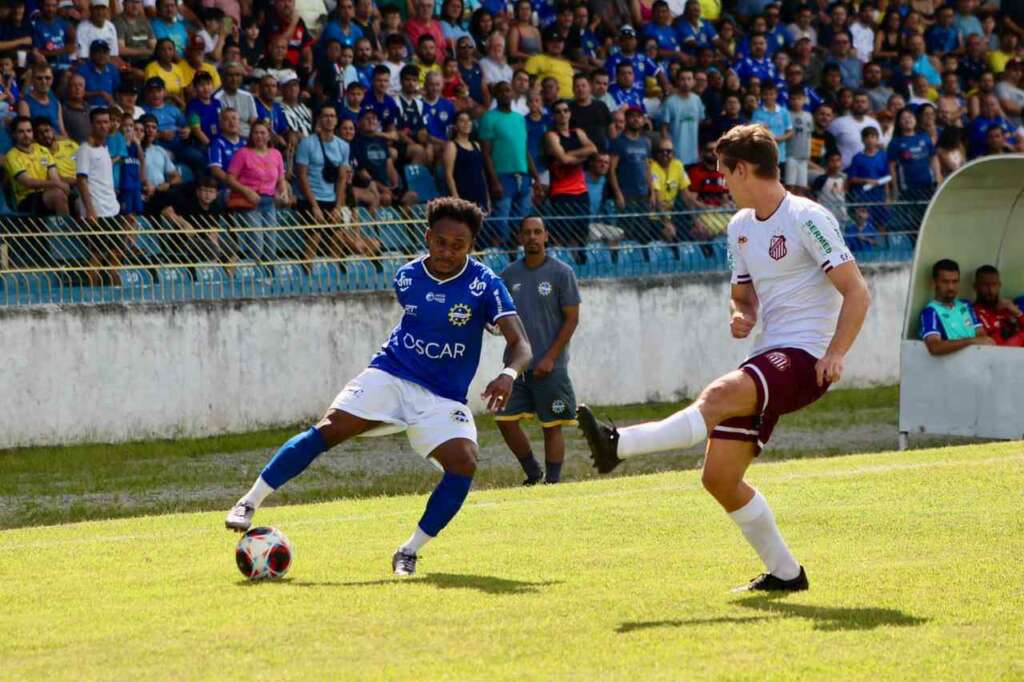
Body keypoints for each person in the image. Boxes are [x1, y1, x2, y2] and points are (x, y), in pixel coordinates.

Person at [577, 123, 872, 592]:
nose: (721, 183)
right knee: (719, 477)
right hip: (768, 355)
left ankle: (619, 445)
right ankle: (786, 574)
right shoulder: (739, 228)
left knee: (715, 397)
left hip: (805, 357)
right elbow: (742, 298)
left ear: (743, 170)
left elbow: (857, 291)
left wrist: (836, 353)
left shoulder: (807, 216)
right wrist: (742, 315)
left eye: (723, 174)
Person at [224, 197, 532, 577]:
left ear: (471, 246)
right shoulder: (407, 277)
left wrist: (508, 374)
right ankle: (249, 501)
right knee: (330, 428)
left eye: (459, 245)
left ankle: (409, 550)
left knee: (464, 462)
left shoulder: (485, 284)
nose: (448, 252)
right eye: (440, 242)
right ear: (427, 238)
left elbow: (521, 344)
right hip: (391, 373)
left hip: (442, 396)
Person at [496, 215, 581, 485]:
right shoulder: (509, 274)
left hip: (550, 365)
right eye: (527, 232)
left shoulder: (562, 273)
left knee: (551, 425)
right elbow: (500, 315)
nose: (532, 237)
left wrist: (551, 358)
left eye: (537, 232)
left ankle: (553, 482)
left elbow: (572, 319)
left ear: (546, 236)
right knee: (504, 419)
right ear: (520, 238)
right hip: (516, 366)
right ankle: (533, 473)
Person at [479, 80, 537, 249]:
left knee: (522, 221)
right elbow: (486, 153)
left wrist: (535, 177)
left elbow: (524, 149)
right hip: (502, 176)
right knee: (501, 221)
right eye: (501, 91)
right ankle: (501, 254)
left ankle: (517, 254)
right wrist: (494, 180)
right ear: (496, 95)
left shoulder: (520, 119)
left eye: (508, 90)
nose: (505, 94)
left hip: (523, 175)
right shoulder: (489, 118)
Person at [226, 119, 292, 260]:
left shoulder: (276, 154)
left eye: (262, 133)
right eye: (255, 133)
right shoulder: (243, 153)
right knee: (257, 246)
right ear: (251, 135)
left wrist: (284, 192)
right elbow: (229, 179)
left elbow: (281, 179)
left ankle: (267, 273)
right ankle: (248, 270)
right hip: (249, 202)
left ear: (268, 136)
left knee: (271, 247)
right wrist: (246, 191)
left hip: (269, 202)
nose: (259, 136)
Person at [76, 107, 123, 284]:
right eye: (99, 122)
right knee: (97, 254)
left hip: (111, 208)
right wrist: (90, 210)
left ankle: (114, 291)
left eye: (106, 122)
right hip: (97, 209)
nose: (103, 126)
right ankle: (91, 293)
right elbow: (81, 180)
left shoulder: (104, 148)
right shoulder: (85, 149)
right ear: (91, 124)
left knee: (115, 253)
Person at [544, 100, 597, 250]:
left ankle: (579, 261)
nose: (563, 114)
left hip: (581, 191)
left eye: (565, 110)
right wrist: (582, 156)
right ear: (553, 116)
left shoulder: (578, 132)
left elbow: (593, 149)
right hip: (561, 192)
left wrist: (569, 155)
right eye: (558, 111)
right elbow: (563, 160)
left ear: (570, 113)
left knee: (581, 235)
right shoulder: (551, 135)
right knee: (561, 235)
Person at [919, 258, 994, 355]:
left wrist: (977, 340)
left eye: (955, 281)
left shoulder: (966, 305)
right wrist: (970, 341)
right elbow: (934, 347)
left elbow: (981, 334)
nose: (951, 287)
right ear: (934, 283)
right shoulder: (930, 312)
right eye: (945, 282)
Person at [443, 109, 489, 214]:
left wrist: (487, 198)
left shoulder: (476, 145)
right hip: (463, 194)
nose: (466, 123)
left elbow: (481, 173)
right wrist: (456, 198)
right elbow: (448, 175)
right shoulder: (452, 146)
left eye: (468, 120)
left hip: (479, 195)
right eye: (462, 121)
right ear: (455, 126)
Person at [660, 68, 704, 165]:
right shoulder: (669, 102)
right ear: (677, 81)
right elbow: (664, 130)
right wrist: (668, 151)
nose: (686, 82)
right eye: (682, 79)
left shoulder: (697, 100)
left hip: (694, 156)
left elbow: (700, 123)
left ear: (694, 81)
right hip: (675, 156)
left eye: (689, 79)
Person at [972, 265, 1024, 347]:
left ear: (999, 285)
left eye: (994, 284)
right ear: (975, 287)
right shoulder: (971, 313)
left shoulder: (1009, 308)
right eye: (985, 285)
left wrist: (1018, 313)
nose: (991, 290)